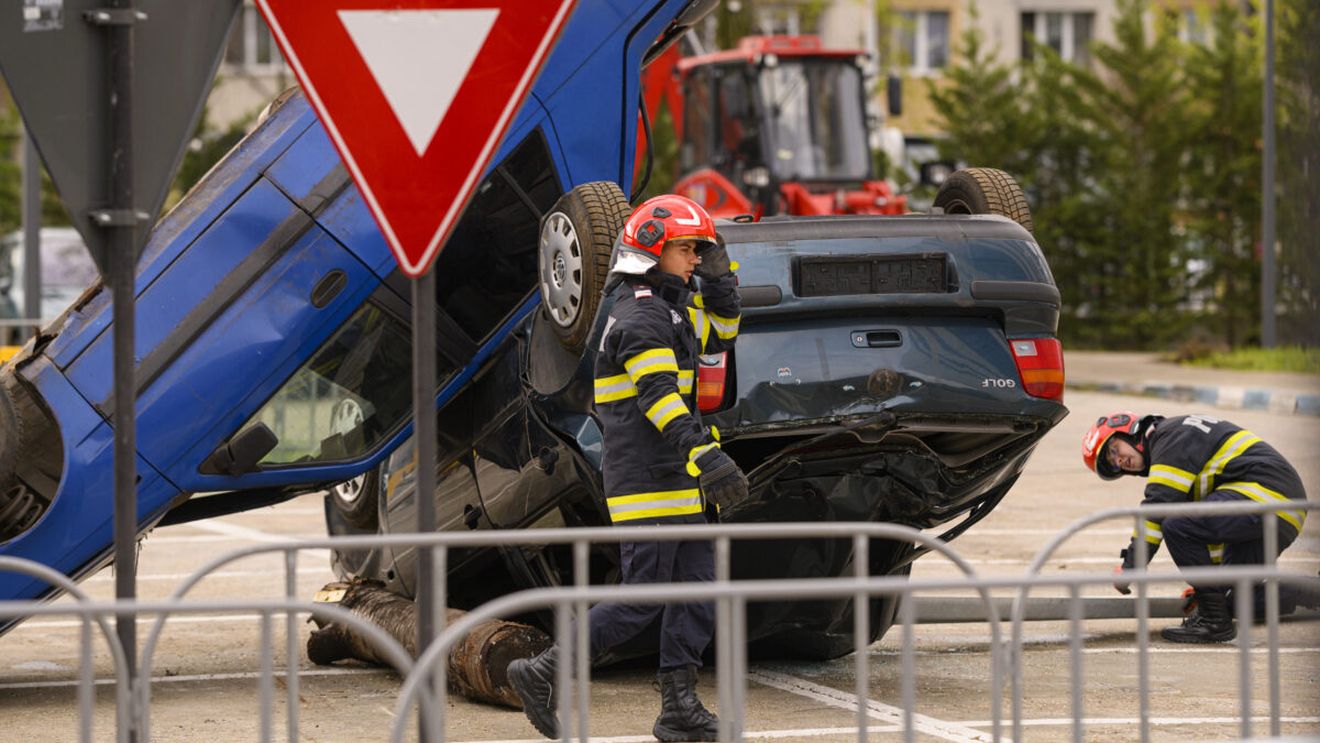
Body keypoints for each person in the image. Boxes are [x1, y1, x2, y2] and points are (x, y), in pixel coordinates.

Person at [508, 194, 747, 741]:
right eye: (687, 250)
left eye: (698, 251)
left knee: (699, 591)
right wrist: (707, 457)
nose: (694, 259)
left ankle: (679, 708)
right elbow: (659, 396)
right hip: (648, 480)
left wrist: (720, 282)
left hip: (676, 478)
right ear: (650, 250)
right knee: (643, 596)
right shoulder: (638, 314)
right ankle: (543, 673)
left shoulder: (669, 309)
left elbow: (722, 338)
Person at [1081, 411, 1310, 643]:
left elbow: (1157, 510)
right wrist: (1210, 588)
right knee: (1232, 600)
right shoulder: (1178, 451)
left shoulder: (1169, 437)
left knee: (1176, 525)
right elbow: (1211, 530)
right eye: (1113, 463)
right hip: (1282, 510)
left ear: (1129, 430)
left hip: (1266, 497)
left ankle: (1214, 623)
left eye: (1113, 450)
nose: (1119, 461)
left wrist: (1130, 566)